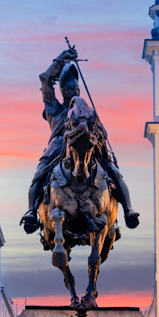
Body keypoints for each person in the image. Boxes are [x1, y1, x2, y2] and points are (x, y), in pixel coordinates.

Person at [20, 47, 139, 233]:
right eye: (69, 89)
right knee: (40, 174)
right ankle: (31, 211)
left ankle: (128, 209)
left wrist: (95, 128)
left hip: (87, 144)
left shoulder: (85, 111)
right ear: (62, 91)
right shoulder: (54, 109)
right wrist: (60, 60)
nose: (73, 91)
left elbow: (104, 133)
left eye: (76, 88)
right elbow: (45, 78)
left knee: (113, 171)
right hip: (58, 146)